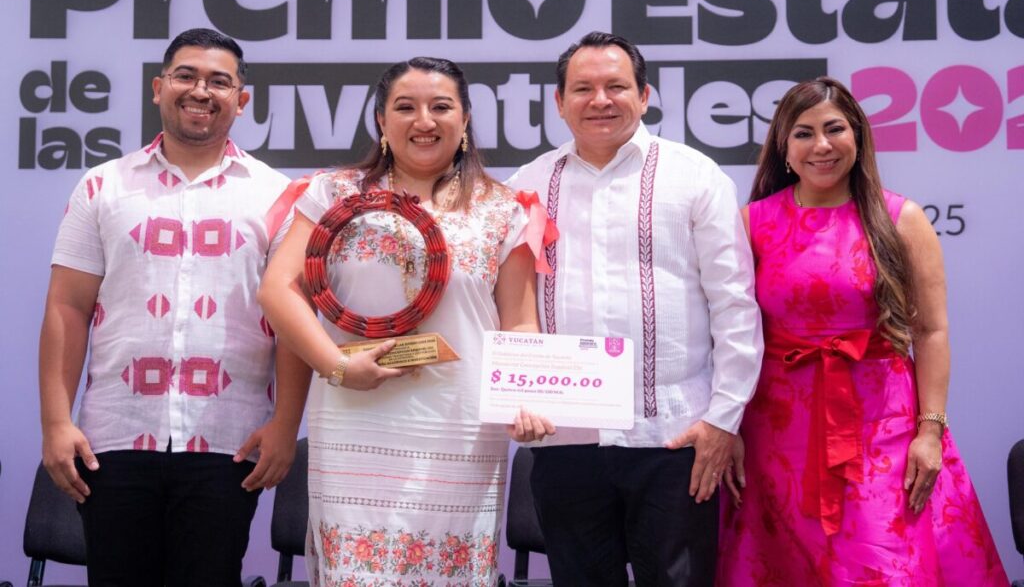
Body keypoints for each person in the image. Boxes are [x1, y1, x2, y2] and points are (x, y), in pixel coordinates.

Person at [258, 56, 547, 586]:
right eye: (406, 107)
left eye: (441, 107)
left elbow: (520, 325)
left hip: (460, 430)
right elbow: (279, 289)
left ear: (465, 119)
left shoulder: (506, 209)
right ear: (381, 120)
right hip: (353, 420)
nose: (424, 121)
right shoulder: (332, 194)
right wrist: (337, 367)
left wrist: (524, 400)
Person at [38, 28, 311, 586]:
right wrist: (56, 422)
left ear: (242, 99)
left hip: (229, 442)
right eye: (186, 76)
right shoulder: (103, 186)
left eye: (219, 81)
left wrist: (286, 424)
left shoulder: (277, 195)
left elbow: (292, 321)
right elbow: (67, 307)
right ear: (158, 88)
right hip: (113, 438)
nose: (200, 91)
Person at [716, 77, 1008, 585]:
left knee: (884, 561)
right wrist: (730, 427)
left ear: (858, 135)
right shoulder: (752, 223)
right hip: (775, 432)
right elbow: (730, 334)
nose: (822, 146)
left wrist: (930, 431)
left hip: (883, 427)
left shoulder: (901, 219)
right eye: (804, 133)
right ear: (784, 148)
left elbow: (931, 331)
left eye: (834, 129)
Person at [507, 31, 763, 586]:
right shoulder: (525, 186)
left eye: (616, 86)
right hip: (566, 438)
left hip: (674, 437)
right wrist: (517, 397)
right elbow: (509, 304)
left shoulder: (695, 176)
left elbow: (735, 306)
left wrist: (723, 420)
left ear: (644, 96)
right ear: (559, 102)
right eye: (583, 88)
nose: (600, 100)